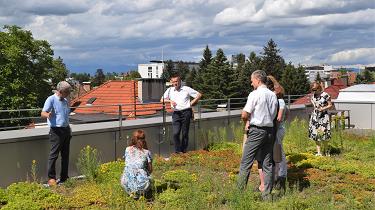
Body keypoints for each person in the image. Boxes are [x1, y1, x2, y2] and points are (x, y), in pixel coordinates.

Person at [238, 70, 278, 200]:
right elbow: (273, 115)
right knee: (267, 164)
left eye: (252, 80)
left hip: (256, 130)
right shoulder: (273, 95)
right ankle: (266, 195)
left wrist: (246, 121)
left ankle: (239, 194)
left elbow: (245, 114)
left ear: (258, 80)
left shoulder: (254, 94)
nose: (251, 83)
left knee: (246, 162)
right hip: (270, 131)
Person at [160, 74, 202, 153]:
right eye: (173, 82)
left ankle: (183, 151)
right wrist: (170, 101)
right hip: (176, 113)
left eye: (176, 81)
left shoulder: (186, 89)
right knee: (176, 133)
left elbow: (199, 95)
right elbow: (161, 100)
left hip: (186, 112)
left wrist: (191, 103)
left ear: (180, 81)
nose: (175, 83)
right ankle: (177, 152)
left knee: (185, 133)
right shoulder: (169, 90)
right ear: (171, 82)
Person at [41, 81, 72, 186]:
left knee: (65, 155)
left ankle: (64, 177)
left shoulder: (66, 100)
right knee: (54, 155)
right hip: (56, 131)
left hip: (66, 129)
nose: (68, 93)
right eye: (67, 92)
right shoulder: (51, 99)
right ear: (60, 91)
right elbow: (43, 113)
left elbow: (66, 114)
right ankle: (51, 178)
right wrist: (48, 115)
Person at [121, 130, 152, 199]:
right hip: (141, 185)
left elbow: (127, 163)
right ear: (144, 139)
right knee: (149, 176)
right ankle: (141, 193)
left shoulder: (127, 149)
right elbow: (150, 170)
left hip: (125, 183)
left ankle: (131, 193)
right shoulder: (146, 152)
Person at [308, 81, 333, 156]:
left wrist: (323, 109)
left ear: (319, 88)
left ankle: (326, 151)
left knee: (324, 134)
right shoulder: (313, 96)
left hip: (323, 117)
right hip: (315, 117)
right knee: (316, 134)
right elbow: (314, 105)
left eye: (315, 89)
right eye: (312, 90)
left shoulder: (325, 95)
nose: (314, 91)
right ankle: (319, 152)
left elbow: (330, 105)